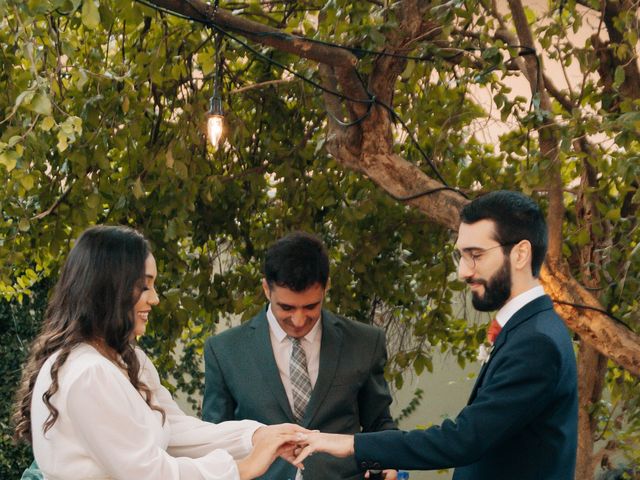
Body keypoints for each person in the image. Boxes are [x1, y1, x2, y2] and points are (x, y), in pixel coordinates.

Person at [293, 191, 579, 480]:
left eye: (475, 255)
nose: (463, 272)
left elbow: (464, 439)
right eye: (461, 256)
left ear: (520, 254)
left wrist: (350, 444)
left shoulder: (536, 342)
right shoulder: (531, 328)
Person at [13, 225, 307, 480]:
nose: (154, 299)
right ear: (109, 289)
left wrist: (257, 436)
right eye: (144, 286)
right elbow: (149, 473)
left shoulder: (126, 360)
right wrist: (240, 469)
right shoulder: (90, 373)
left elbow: (176, 430)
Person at [203, 231, 397, 480]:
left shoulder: (364, 342)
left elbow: (379, 422)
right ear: (266, 288)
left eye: (310, 306)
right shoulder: (224, 351)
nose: (298, 320)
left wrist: (390, 459)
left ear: (326, 287)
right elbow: (215, 440)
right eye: (286, 307)